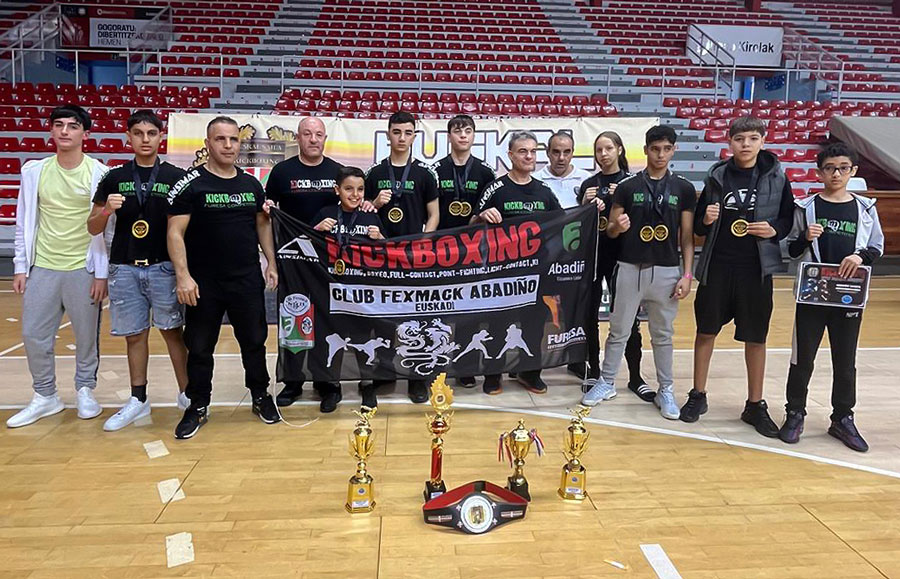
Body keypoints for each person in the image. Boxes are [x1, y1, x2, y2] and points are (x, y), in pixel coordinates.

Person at [680, 117, 795, 437]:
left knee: (756, 337)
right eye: (740, 138)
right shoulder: (717, 175)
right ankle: (698, 394)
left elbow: (788, 218)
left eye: (753, 138)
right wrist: (705, 218)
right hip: (717, 266)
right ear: (729, 142)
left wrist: (774, 230)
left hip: (756, 269)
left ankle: (755, 404)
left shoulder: (777, 177)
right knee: (705, 331)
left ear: (763, 141)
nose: (746, 144)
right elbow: (699, 227)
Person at [167, 116, 280, 439]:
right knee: (200, 346)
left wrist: (271, 262)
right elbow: (174, 232)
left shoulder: (251, 185)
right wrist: (183, 276)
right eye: (220, 139)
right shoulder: (190, 184)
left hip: (245, 279)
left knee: (254, 341)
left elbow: (262, 224)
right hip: (204, 283)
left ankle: (260, 395)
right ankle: (197, 404)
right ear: (208, 144)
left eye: (233, 139)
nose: (228, 145)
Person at [581, 125, 695, 420]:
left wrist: (687, 275)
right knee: (619, 330)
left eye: (666, 149)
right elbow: (610, 229)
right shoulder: (628, 186)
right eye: (655, 149)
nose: (660, 155)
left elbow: (686, 237)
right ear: (645, 150)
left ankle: (666, 389)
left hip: (667, 270)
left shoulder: (683, 188)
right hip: (630, 267)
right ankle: (606, 382)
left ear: (674, 150)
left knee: (663, 334)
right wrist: (617, 226)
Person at [7, 105, 109, 429]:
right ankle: (45, 395)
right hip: (43, 265)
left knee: (86, 337)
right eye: (59, 124)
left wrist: (102, 273)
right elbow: (23, 220)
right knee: (33, 334)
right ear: (51, 130)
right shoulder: (34, 172)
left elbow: (105, 228)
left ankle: (85, 390)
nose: (65, 131)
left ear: (85, 134)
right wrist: (20, 266)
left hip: (83, 267)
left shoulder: (100, 173)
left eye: (73, 125)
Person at [87, 109, 189, 431]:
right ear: (128, 137)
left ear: (161, 137)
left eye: (151, 133)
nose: (145, 139)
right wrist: (106, 210)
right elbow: (92, 227)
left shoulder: (175, 177)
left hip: (164, 267)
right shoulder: (114, 177)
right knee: (134, 336)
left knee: (173, 332)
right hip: (125, 267)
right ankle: (138, 398)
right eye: (138, 133)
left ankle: (188, 395)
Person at [780, 143, 883, 452]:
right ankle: (794, 412)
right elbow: (790, 250)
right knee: (802, 358)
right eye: (829, 168)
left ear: (853, 171)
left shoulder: (865, 208)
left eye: (843, 168)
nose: (836, 174)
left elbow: (876, 246)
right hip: (812, 295)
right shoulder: (806, 207)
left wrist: (860, 256)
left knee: (845, 360)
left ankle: (842, 417)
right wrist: (804, 238)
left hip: (848, 296)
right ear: (819, 172)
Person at [472, 130, 562, 395]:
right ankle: (492, 374)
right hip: (503, 273)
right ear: (510, 155)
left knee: (534, 326)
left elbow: (562, 223)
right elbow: (470, 225)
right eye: (523, 151)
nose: (529, 156)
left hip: (536, 273)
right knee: (498, 324)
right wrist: (482, 216)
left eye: (533, 151)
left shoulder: (544, 191)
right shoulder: (495, 188)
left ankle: (530, 372)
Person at [264, 117, 344, 408]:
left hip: (327, 261)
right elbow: (267, 213)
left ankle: (327, 382)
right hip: (293, 258)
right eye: (307, 134)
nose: (313, 139)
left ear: (325, 139)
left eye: (318, 134)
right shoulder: (282, 172)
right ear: (297, 138)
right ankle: (293, 380)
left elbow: (351, 207)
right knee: (294, 318)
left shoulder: (337, 171)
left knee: (327, 319)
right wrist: (271, 259)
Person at [364, 111, 440, 403]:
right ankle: (384, 372)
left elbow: (434, 215)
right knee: (382, 314)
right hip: (381, 256)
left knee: (416, 315)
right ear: (388, 135)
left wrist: (424, 244)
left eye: (408, 133)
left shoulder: (424, 173)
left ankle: (417, 377)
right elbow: (362, 211)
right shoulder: (375, 173)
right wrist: (375, 202)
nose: (402, 138)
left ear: (414, 136)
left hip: (414, 256)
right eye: (397, 132)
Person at [577, 132, 651, 402]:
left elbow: (641, 219)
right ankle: (594, 372)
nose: (603, 154)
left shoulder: (632, 183)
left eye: (608, 148)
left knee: (629, 319)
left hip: (624, 257)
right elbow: (576, 225)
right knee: (589, 316)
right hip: (594, 257)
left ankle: (635, 377)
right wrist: (584, 204)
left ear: (619, 149)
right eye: (598, 149)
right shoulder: (589, 184)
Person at [311, 166, 384, 411]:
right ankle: (332, 386)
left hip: (361, 290)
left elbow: (386, 254)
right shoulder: (325, 214)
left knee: (363, 338)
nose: (355, 195)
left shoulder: (370, 215)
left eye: (360, 189)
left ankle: (367, 384)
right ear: (337, 190)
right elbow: (304, 246)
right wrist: (316, 230)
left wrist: (380, 238)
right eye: (348, 189)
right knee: (333, 338)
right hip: (331, 289)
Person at [431, 114, 496, 388]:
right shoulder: (435, 170)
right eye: (457, 131)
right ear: (449, 136)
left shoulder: (485, 172)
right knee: (439, 307)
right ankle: (435, 363)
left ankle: (465, 366)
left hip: (473, 250)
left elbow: (491, 212)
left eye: (467, 131)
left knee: (469, 307)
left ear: (473, 135)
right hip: (441, 249)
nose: (462, 136)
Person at [533, 131, 593, 379]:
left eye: (566, 152)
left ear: (573, 153)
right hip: (544, 256)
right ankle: (529, 361)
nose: (561, 157)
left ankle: (576, 359)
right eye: (556, 152)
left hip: (574, 257)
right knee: (537, 311)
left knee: (574, 310)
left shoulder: (586, 180)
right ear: (547, 153)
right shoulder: (536, 180)